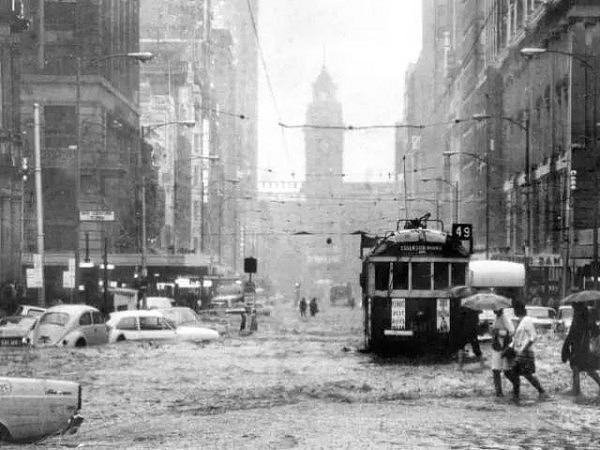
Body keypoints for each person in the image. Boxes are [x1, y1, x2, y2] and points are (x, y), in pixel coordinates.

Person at [504, 301, 547, 403]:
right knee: (526, 374)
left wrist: (523, 349)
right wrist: (508, 349)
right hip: (520, 353)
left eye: (515, 309)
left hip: (524, 354)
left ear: (518, 310)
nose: (514, 311)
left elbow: (533, 337)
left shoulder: (527, 320)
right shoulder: (521, 321)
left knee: (512, 371)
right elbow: (516, 339)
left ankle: (516, 396)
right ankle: (541, 391)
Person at [561, 302, 600, 396]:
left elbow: (570, 335)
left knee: (577, 367)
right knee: (587, 368)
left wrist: (565, 349)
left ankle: (576, 390)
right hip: (583, 348)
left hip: (579, 349)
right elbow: (595, 331)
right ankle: (577, 389)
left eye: (573, 306)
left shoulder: (579, 317)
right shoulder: (586, 316)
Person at [490, 308, 515, 397]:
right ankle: (498, 392)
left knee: (506, 371)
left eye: (496, 309)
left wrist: (499, 332)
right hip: (496, 347)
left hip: (504, 348)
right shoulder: (496, 318)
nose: (493, 310)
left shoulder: (505, 318)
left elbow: (511, 332)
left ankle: (516, 384)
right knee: (495, 370)